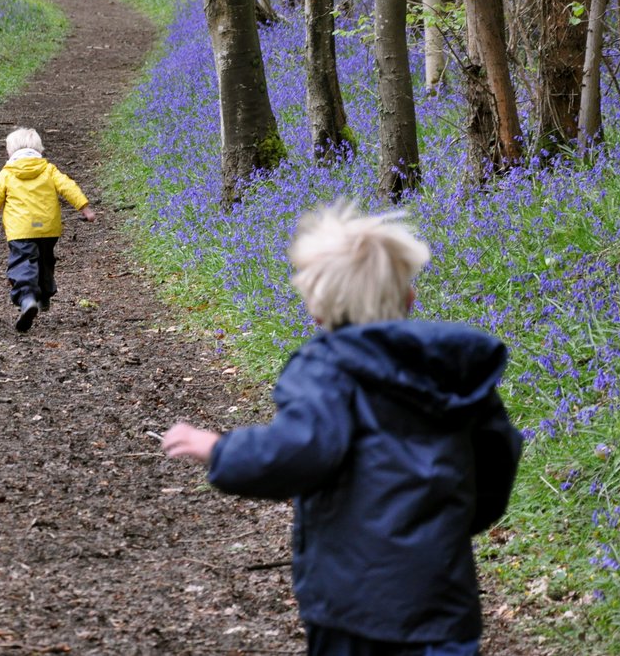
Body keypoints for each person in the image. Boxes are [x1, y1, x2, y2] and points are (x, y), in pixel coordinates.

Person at [161, 201, 523, 656]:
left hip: (355, 605)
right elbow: (498, 459)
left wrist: (220, 450)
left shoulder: (325, 368)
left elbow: (299, 449)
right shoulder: (455, 371)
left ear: (316, 310)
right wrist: (451, 524)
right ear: (409, 298)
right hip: (442, 599)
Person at [0, 127, 95, 332]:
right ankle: (45, 294)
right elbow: (68, 187)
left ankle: (27, 298)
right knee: (45, 260)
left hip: (20, 230)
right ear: (39, 149)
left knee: (23, 262)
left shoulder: (6, 174)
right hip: (48, 228)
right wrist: (84, 208)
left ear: (10, 151)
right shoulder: (48, 169)